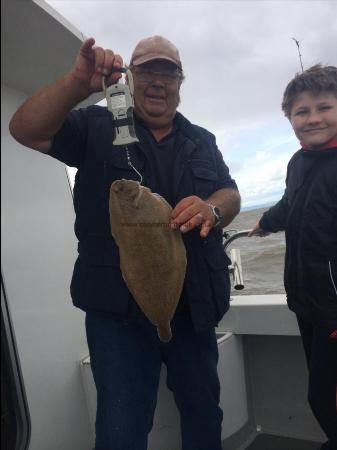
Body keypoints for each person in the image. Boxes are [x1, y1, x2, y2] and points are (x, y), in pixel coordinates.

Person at [9, 35, 240, 450]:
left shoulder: (201, 139)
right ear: (131, 77)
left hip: (194, 309)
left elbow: (230, 193)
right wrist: (78, 84)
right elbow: (24, 129)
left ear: (180, 82)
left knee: (204, 412)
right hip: (117, 318)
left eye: (168, 73)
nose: (158, 82)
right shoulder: (95, 125)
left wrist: (213, 209)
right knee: (121, 428)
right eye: (149, 70)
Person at [249, 64, 337, 450]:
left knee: (325, 397)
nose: (313, 118)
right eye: (302, 111)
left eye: (325, 107)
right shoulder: (298, 163)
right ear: (289, 119)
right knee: (321, 394)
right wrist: (265, 223)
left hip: (334, 309)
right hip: (307, 304)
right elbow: (292, 204)